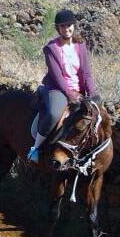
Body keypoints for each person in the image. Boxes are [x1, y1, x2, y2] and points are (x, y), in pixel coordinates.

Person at [27, 9, 98, 162]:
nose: (67, 29)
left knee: (96, 116)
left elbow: (86, 73)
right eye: (63, 26)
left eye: (69, 25)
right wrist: (69, 94)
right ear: (58, 29)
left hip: (78, 90)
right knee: (53, 113)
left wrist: (92, 94)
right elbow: (57, 76)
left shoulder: (81, 46)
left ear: (74, 26)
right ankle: (36, 148)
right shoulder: (51, 48)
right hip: (57, 89)